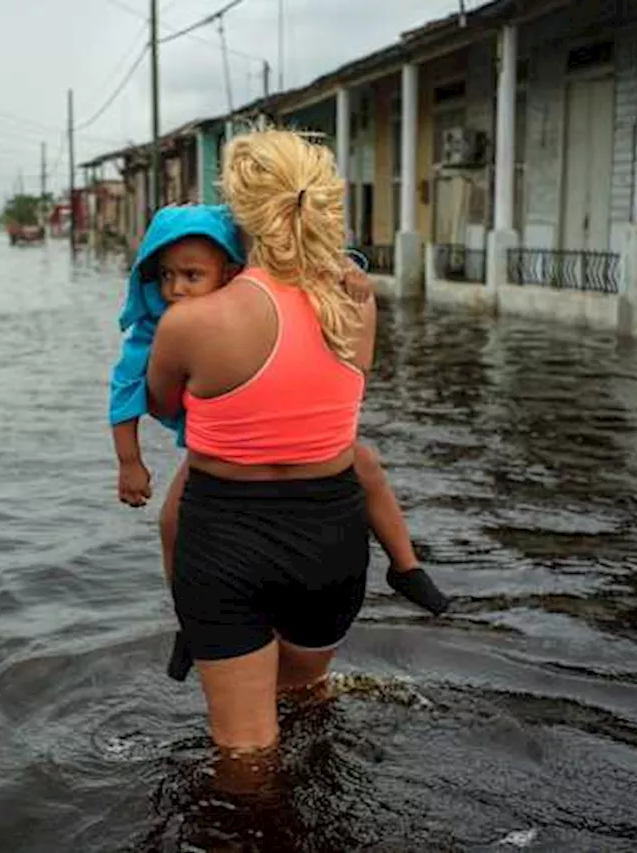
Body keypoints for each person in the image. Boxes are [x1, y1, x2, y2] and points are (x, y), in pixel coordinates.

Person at [143, 129, 448, 755]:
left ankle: (192, 633)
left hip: (223, 536)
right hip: (330, 538)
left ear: (240, 212)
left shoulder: (191, 321)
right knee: (307, 699)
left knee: (245, 750)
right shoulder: (353, 304)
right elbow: (348, 387)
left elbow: (161, 404)